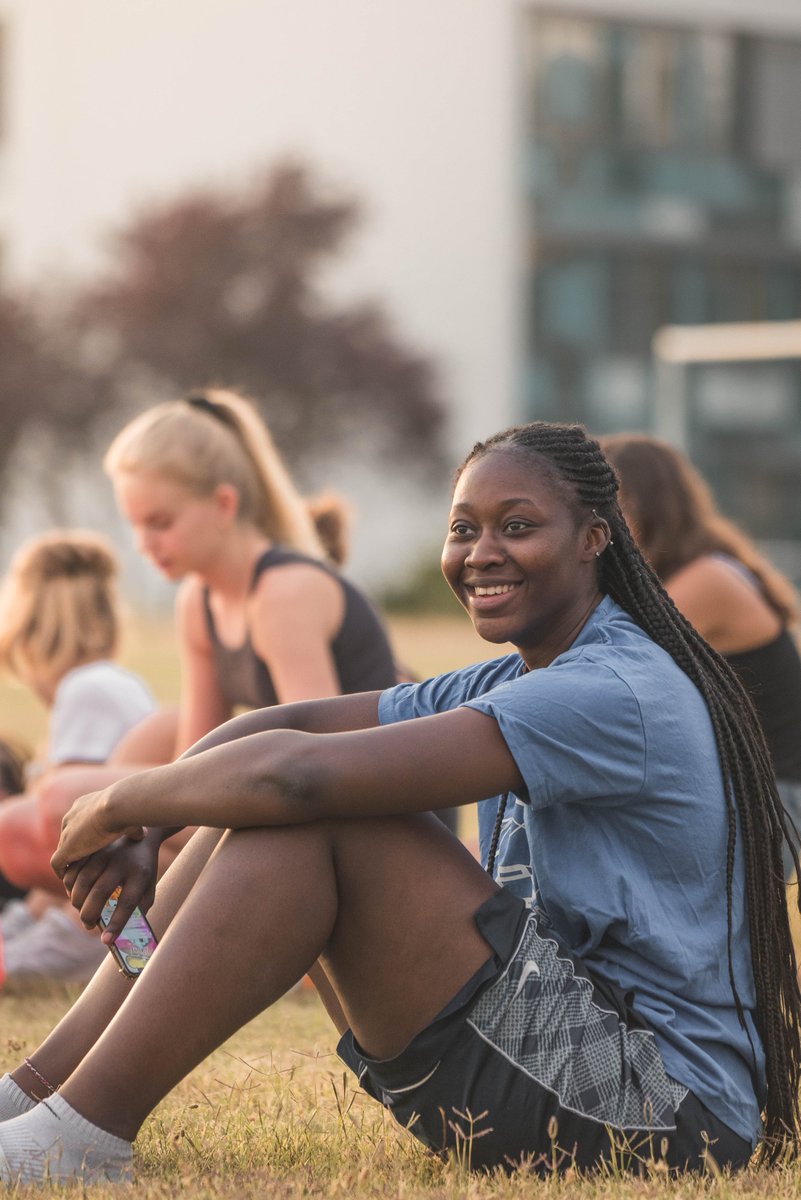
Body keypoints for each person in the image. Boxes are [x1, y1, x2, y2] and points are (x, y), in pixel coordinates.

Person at [0, 420, 797, 1184]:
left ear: (594, 538)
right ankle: (41, 1090)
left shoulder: (610, 687)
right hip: (554, 1044)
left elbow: (297, 775)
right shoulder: (524, 671)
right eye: (462, 530)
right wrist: (157, 817)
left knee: (316, 814)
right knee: (267, 799)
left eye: (517, 526)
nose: (481, 553)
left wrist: (114, 805)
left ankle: (82, 1134)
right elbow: (284, 725)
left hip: (659, 1107)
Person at [0, 389, 406, 912]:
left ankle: (139, 921)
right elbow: (192, 764)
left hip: (361, 819)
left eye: (160, 523)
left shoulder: (283, 593)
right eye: (135, 525)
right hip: (288, 790)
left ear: (224, 504)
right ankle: (118, 924)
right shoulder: (199, 601)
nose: (143, 544)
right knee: (49, 812)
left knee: (67, 799)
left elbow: (320, 762)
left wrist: (121, 807)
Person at [601, 433, 801, 880]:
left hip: (776, 801)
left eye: (611, 509)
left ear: (649, 507)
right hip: (745, 791)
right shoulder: (701, 566)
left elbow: (606, 659)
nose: (599, 527)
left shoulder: (707, 580)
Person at [0, 531, 156, 982]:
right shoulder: (110, 683)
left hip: (102, 912)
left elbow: (69, 838)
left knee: (23, 823)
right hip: (116, 890)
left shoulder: (87, 690)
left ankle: (116, 946)